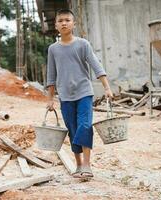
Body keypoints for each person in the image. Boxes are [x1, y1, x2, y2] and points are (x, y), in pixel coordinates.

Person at [46, 9, 113, 178]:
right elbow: (51, 75)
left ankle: (87, 165)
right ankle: (78, 165)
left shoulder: (83, 44)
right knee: (72, 129)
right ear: (56, 25)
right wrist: (50, 99)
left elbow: (96, 65)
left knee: (85, 125)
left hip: (84, 92)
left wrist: (107, 88)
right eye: (60, 20)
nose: (64, 23)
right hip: (65, 96)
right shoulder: (53, 49)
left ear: (73, 24)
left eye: (67, 20)